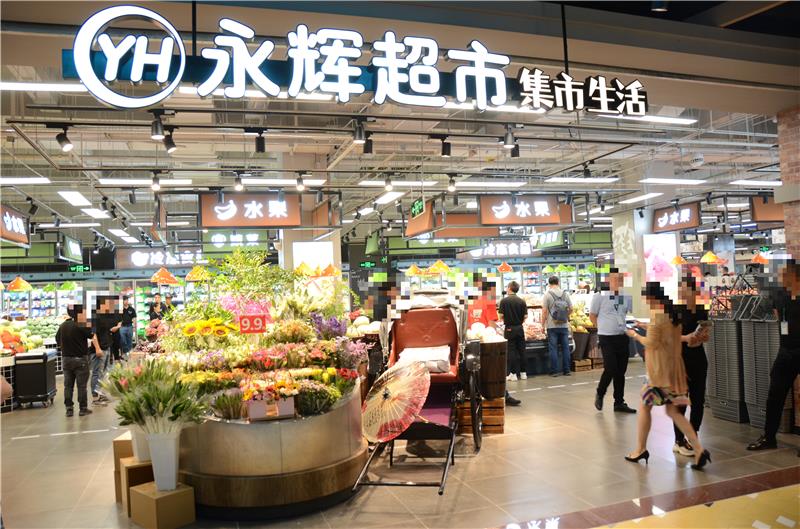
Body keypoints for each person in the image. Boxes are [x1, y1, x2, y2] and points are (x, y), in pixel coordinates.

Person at [625, 282, 711, 470]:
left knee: (645, 406)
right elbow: (668, 337)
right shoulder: (674, 316)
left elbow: (651, 343)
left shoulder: (658, 317)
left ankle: (640, 449)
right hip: (676, 372)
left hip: (659, 374)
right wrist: (646, 326)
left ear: (650, 298)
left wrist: (634, 335)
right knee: (673, 411)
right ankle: (698, 449)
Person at [747, 260, 800, 451]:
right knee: (775, 394)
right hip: (785, 351)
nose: (781, 278)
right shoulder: (781, 296)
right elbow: (778, 318)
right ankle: (769, 437)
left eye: (785, 274)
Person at [672, 275, 711, 457]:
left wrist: (703, 337)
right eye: (681, 290)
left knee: (698, 401)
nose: (683, 294)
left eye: (686, 290)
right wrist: (685, 338)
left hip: (699, 358)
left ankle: (693, 436)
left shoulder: (702, 311)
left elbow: (705, 335)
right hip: (680, 360)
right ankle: (679, 440)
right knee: (681, 401)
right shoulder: (675, 311)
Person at [591, 269, 636, 413]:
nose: (618, 282)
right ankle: (600, 392)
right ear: (608, 280)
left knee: (621, 371)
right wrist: (601, 328)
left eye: (620, 279)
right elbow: (592, 315)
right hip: (606, 337)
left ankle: (619, 402)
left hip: (622, 336)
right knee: (610, 368)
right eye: (615, 279)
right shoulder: (599, 296)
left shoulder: (626, 296)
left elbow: (626, 313)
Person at [56, 304, 100, 417]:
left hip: (66, 359)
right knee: (81, 386)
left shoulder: (63, 325)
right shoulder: (81, 324)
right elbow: (92, 336)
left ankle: (69, 409)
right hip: (80, 359)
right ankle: (83, 408)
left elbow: (57, 340)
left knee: (68, 386)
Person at [498, 281, 525, 407]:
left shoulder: (504, 301)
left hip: (509, 328)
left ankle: (512, 374)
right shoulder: (522, 301)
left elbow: (501, 316)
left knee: (511, 351)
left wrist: (507, 321)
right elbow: (525, 316)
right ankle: (523, 373)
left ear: (509, 288)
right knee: (522, 350)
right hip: (520, 328)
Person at [542, 276, 572, 377]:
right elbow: (571, 308)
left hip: (552, 326)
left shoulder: (547, 295)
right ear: (558, 282)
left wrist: (542, 324)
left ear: (549, 283)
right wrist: (565, 316)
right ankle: (567, 370)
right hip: (564, 325)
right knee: (565, 348)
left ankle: (554, 371)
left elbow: (544, 311)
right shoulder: (565, 294)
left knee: (553, 348)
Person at [91, 297, 119, 403]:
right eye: (108, 303)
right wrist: (97, 348)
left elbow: (108, 330)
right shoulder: (95, 317)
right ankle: (95, 396)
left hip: (106, 347)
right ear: (102, 305)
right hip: (99, 349)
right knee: (97, 372)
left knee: (104, 372)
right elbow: (93, 334)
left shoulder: (104, 316)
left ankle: (101, 393)